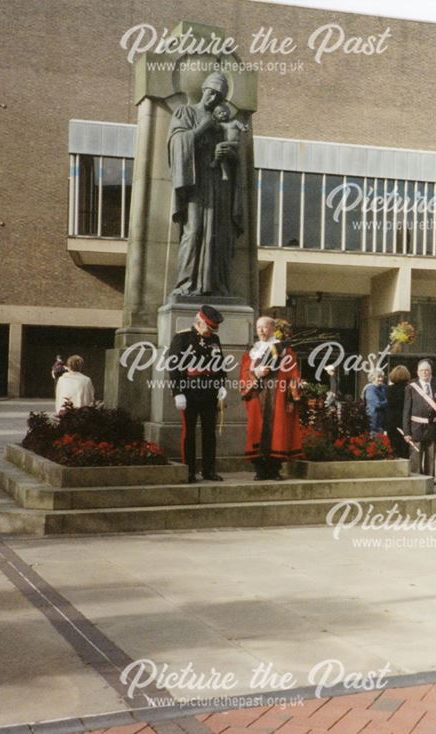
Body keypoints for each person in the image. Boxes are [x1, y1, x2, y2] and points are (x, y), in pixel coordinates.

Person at [168, 71, 244, 297]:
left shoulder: (224, 122)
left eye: (219, 96)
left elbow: (235, 153)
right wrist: (204, 126)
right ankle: (186, 284)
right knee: (195, 231)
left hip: (219, 184)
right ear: (203, 90)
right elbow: (177, 143)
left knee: (218, 233)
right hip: (196, 183)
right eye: (211, 92)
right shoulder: (186, 112)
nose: (213, 98)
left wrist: (227, 153)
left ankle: (215, 285)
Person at [240, 316, 304, 481]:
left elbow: (293, 373)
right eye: (258, 327)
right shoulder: (252, 352)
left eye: (265, 327)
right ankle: (260, 470)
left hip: (278, 395)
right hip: (258, 395)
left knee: (277, 432)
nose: (261, 330)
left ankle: (275, 470)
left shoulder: (285, 350)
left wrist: (292, 394)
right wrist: (256, 373)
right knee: (257, 430)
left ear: (272, 328)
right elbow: (244, 373)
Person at [169, 305, 228, 483]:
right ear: (199, 322)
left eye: (212, 330)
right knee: (189, 433)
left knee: (209, 432)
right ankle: (189, 471)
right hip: (189, 391)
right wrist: (177, 392)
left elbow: (220, 366)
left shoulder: (214, 339)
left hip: (209, 392)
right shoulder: (182, 337)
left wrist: (221, 386)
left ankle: (209, 470)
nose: (210, 332)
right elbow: (174, 367)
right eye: (208, 328)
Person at [402, 359, 436, 476]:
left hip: (433, 428)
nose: (425, 373)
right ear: (417, 372)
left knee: (431, 460)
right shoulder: (411, 387)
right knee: (416, 461)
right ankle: (417, 484)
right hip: (416, 429)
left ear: (431, 372)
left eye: (427, 370)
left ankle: (430, 482)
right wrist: (406, 432)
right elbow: (406, 411)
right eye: (422, 370)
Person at [210, 103, 248, 181]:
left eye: (223, 111)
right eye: (219, 113)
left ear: (228, 112)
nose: (222, 114)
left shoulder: (234, 122)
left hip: (235, 143)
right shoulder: (221, 125)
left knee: (219, 145)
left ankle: (216, 160)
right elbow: (214, 128)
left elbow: (242, 127)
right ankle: (224, 173)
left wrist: (245, 128)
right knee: (223, 154)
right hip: (227, 145)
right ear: (216, 116)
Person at [383, 365, 412, 459]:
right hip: (405, 421)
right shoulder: (409, 388)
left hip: (392, 422)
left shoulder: (388, 389)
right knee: (405, 449)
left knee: (394, 448)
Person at [364, 369, 388, 436]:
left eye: (382, 377)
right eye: (378, 377)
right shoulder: (370, 389)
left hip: (382, 422)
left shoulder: (383, 387)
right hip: (373, 422)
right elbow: (378, 404)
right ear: (373, 378)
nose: (381, 379)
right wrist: (389, 402)